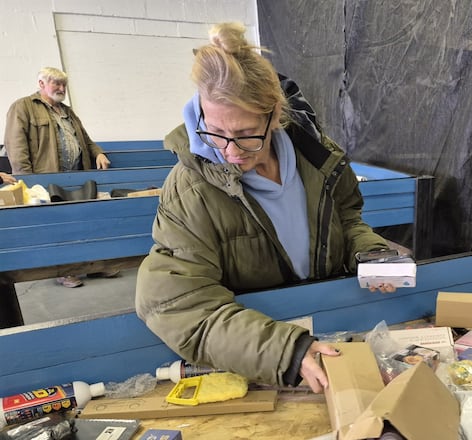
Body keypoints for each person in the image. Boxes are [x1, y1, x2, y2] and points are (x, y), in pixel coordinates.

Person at [136, 22, 396, 393]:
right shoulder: (190, 189)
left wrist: (368, 252)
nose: (229, 151)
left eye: (245, 134)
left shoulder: (320, 160)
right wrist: (283, 351)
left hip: (330, 326)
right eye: (214, 132)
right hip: (258, 358)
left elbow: (347, 217)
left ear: (274, 116)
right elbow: (176, 303)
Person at [4, 67, 114, 288]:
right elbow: (15, 147)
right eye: (56, 84)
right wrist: (27, 181)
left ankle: (94, 266)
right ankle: (66, 271)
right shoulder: (23, 107)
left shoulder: (68, 112)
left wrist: (98, 152)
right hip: (45, 180)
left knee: (84, 222)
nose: (62, 89)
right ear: (42, 84)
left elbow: (86, 139)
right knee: (59, 228)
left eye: (64, 85)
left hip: (75, 177)